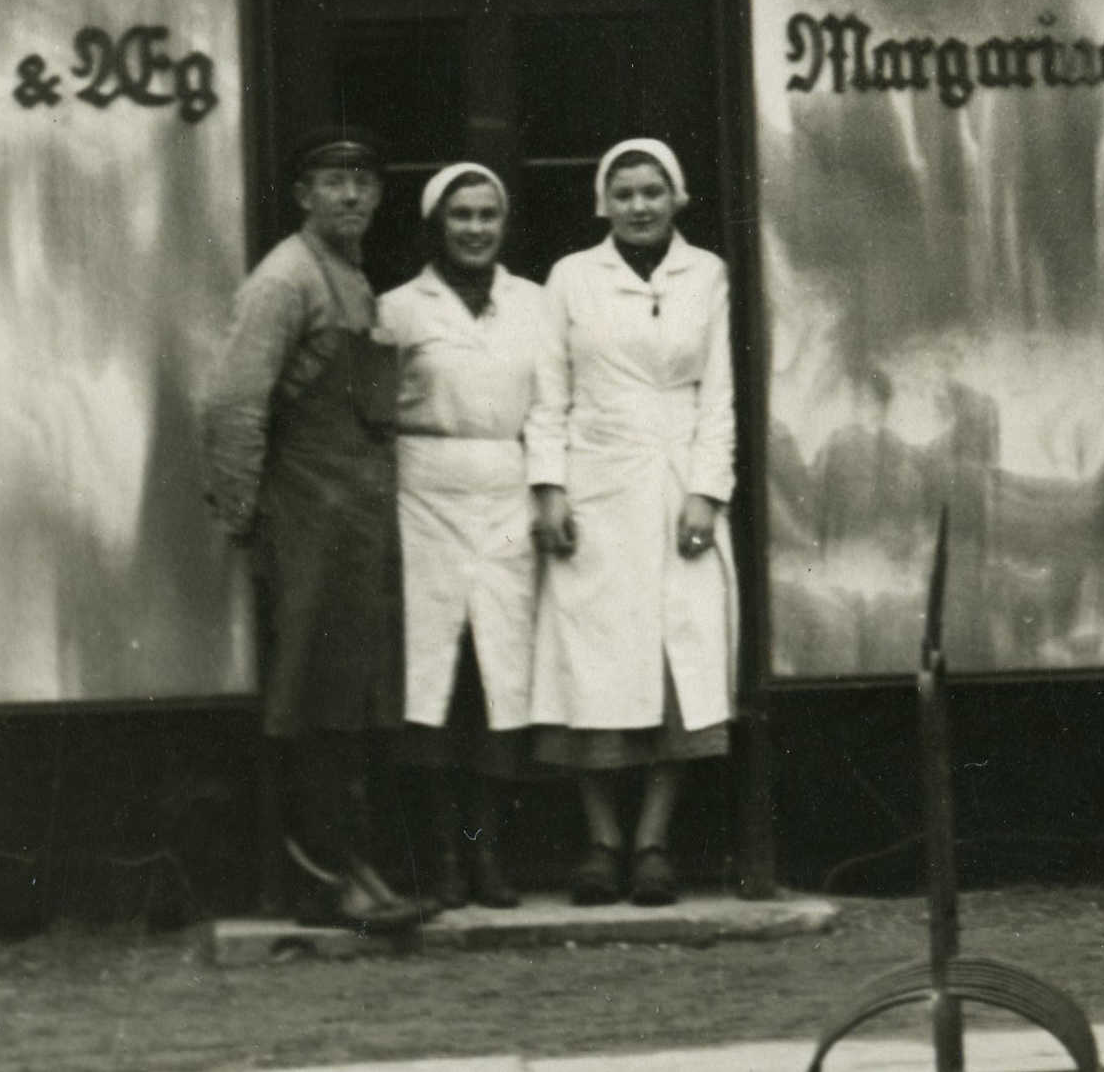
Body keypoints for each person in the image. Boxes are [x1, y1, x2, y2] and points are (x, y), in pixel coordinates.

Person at [202, 125, 423, 932]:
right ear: (304, 195)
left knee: (351, 696)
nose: (352, 195)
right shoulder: (285, 279)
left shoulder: (353, 279)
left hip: (355, 521)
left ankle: (358, 864)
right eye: (334, 181)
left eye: (364, 181)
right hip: (306, 520)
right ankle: (324, 876)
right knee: (310, 697)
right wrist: (246, 514)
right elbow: (232, 401)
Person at [525, 134, 737, 907]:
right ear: (603, 203)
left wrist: (706, 492)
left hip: (679, 480)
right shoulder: (572, 278)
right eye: (625, 194)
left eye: (653, 191)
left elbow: (718, 394)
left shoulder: (705, 273)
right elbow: (548, 392)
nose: (639, 206)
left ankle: (652, 841)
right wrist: (548, 486)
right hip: (595, 483)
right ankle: (600, 840)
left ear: (676, 197)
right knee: (592, 659)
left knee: (676, 655)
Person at [379, 159, 559, 909]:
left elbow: (550, 406)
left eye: (488, 214)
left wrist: (549, 490)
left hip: (507, 494)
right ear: (437, 225)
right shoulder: (398, 308)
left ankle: (489, 861)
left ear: (504, 223)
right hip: (422, 492)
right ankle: (441, 863)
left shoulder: (536, 304)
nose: (476, 228)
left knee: (496, 682)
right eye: (462, 215)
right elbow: (376, 413)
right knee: (434, 680)